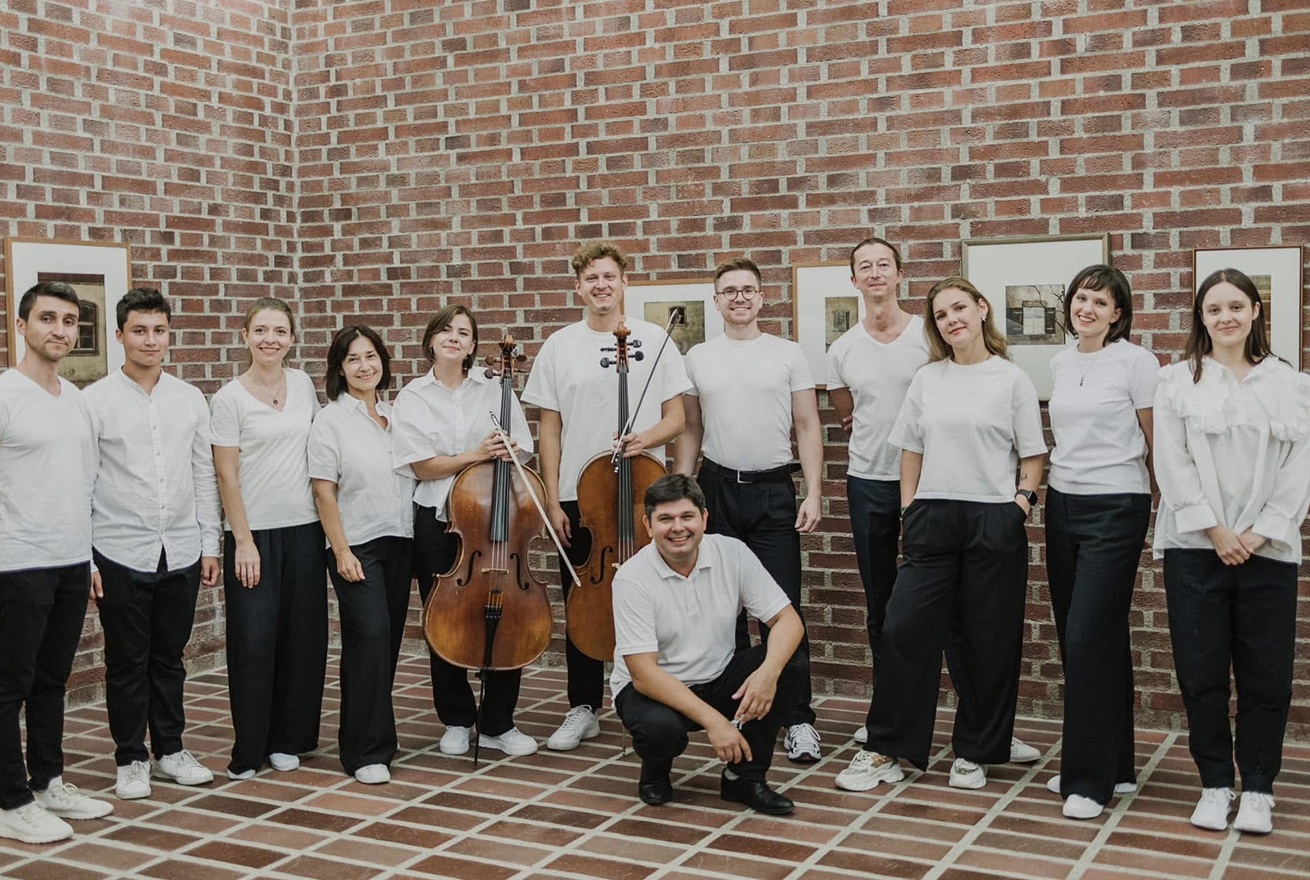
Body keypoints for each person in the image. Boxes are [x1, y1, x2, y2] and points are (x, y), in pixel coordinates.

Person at [828, 237, 1040, 766]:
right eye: (942, 314)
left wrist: (1019, 505)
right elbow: (892, 438)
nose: (951, 320)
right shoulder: (894, 365)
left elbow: (1032, 454)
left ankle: (981, 740)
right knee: (898, 622)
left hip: (987, 511)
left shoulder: (1002, 375)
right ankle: (893, 741)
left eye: (959, 309)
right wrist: (910, 509)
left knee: (980, 634)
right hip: (913, 505)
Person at [1155, 268, 1310, 836]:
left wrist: (1262, 531)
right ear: (1201, 317)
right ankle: (1216, 783)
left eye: (1236, 307)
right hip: (1197, 548)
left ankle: (1260, 788)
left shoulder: (1291, 385)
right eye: (1214, 308)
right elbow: (1171, 464)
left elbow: (1300, 467)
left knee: (1266, 676)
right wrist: (1215, 530)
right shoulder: (1176, 382)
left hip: (1268, 551)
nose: (1226, 317)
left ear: (1255, 314)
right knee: (1202, 673)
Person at [522, 241, 691, 751]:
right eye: (591, 277)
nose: (601, 285)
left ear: (624, 284)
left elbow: (677, 418)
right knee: (582, 597)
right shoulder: (559, 345)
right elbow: (548, 430)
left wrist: (646, 439)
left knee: (656, 595)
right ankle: (582, 705)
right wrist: (553, 498)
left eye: (609, 277)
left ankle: (659, 692)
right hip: (581, 495)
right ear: (579, 286)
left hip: (644, 491)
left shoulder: (654, 339)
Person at [673, 256, 824, 763]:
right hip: (716, 488)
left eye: (748, 290)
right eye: (729, 290)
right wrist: (685, 486)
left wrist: (815, 493)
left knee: (782, 608)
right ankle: (735, 713)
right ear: (716, 302)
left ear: (761, 298)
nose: (739, 297)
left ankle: (798, 717)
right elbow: (692, 427)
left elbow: (807, 426)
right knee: (725, 610)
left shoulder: (787, 353)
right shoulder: (699, 357)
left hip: (773, 490)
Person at [84, 288, 220, 801]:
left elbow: (203, 474)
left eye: (159, 330)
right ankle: (131, 757)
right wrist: (86, 556)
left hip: (181, 549)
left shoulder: (188, 399)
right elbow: (83, 482)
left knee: (170, 657)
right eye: (139, 330)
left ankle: (169, 749)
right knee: (126, 660)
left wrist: (209, 543)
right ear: (120, 335)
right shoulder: (93, 402)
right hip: (119, 550)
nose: (150, 340)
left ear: (169, 335)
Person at [612, 474, 807, 814]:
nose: (678, 528)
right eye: (665, 519)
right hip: (654, 689)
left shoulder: (732, 553)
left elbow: (788, 621)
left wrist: (767, 675)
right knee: (661, 730)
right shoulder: (632, 577)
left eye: (687, 516)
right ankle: (656, 769)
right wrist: (717, 723)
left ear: (703, 518)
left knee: (791, 665)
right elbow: (643, 674)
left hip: (718, 677)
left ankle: (744, 778)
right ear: (647, 524)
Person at [392, 305, 538, 758]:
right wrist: (476, 454)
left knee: (505, 607)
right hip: (438, 518)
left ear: (473, 346)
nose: (454, 338)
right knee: (447, 615)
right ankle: (456, 717)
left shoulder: (497, 389)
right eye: (446, 331)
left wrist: (509, 447)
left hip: (493, 518)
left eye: (464, 332)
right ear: (431, 341)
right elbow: (420, 464)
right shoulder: (413, 396)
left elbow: (525, 452)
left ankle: (498, 721)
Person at [0, 282, 113, 845]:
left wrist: (88, 557)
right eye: (48, 318)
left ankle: (47, 780)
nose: (60, 330)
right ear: (21, 325)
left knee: (51, 681)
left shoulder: (76, 400)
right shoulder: (5, 395)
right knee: (8, 685)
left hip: (70, 562)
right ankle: (10, 799)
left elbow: (82, 486)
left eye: (70, 321)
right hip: (16, 564)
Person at [1043, 266, 1158, 819]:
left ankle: (1087, 780)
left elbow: (1158, 441)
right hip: (1063, 503)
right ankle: (1117, 763)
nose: (1086, 308)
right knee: (1088, 636)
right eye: (1080, 298)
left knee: (1089, 635)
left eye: (1099, 301)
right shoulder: (1062, 362)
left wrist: (1171, 504)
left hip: (1117, 505)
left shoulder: (1137, 363)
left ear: (1118, 313)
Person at [211, 297, 326, 780]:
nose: (270, 339)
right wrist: (243, 541)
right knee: (254, 641)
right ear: (244, 336)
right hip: (253, 535)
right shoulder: (228, 398)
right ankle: (250, 748)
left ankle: (289, 740)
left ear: (292, 338)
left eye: (280, 331)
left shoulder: (302, 384)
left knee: (303, 639)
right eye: (260, 330)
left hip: (305, 530)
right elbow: (226, 474)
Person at [309, 325, 416, 783]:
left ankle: (372, 735)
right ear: (339, 368)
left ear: (383, 362)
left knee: (385, 642)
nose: (364, 366)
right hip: (357, 545)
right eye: (353, 359)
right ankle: (365, 752)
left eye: (370, 356)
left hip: (401, 539)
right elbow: (322, 491)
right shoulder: (330, 420)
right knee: (368, 636)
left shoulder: (396, 416)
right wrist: (341, 550)